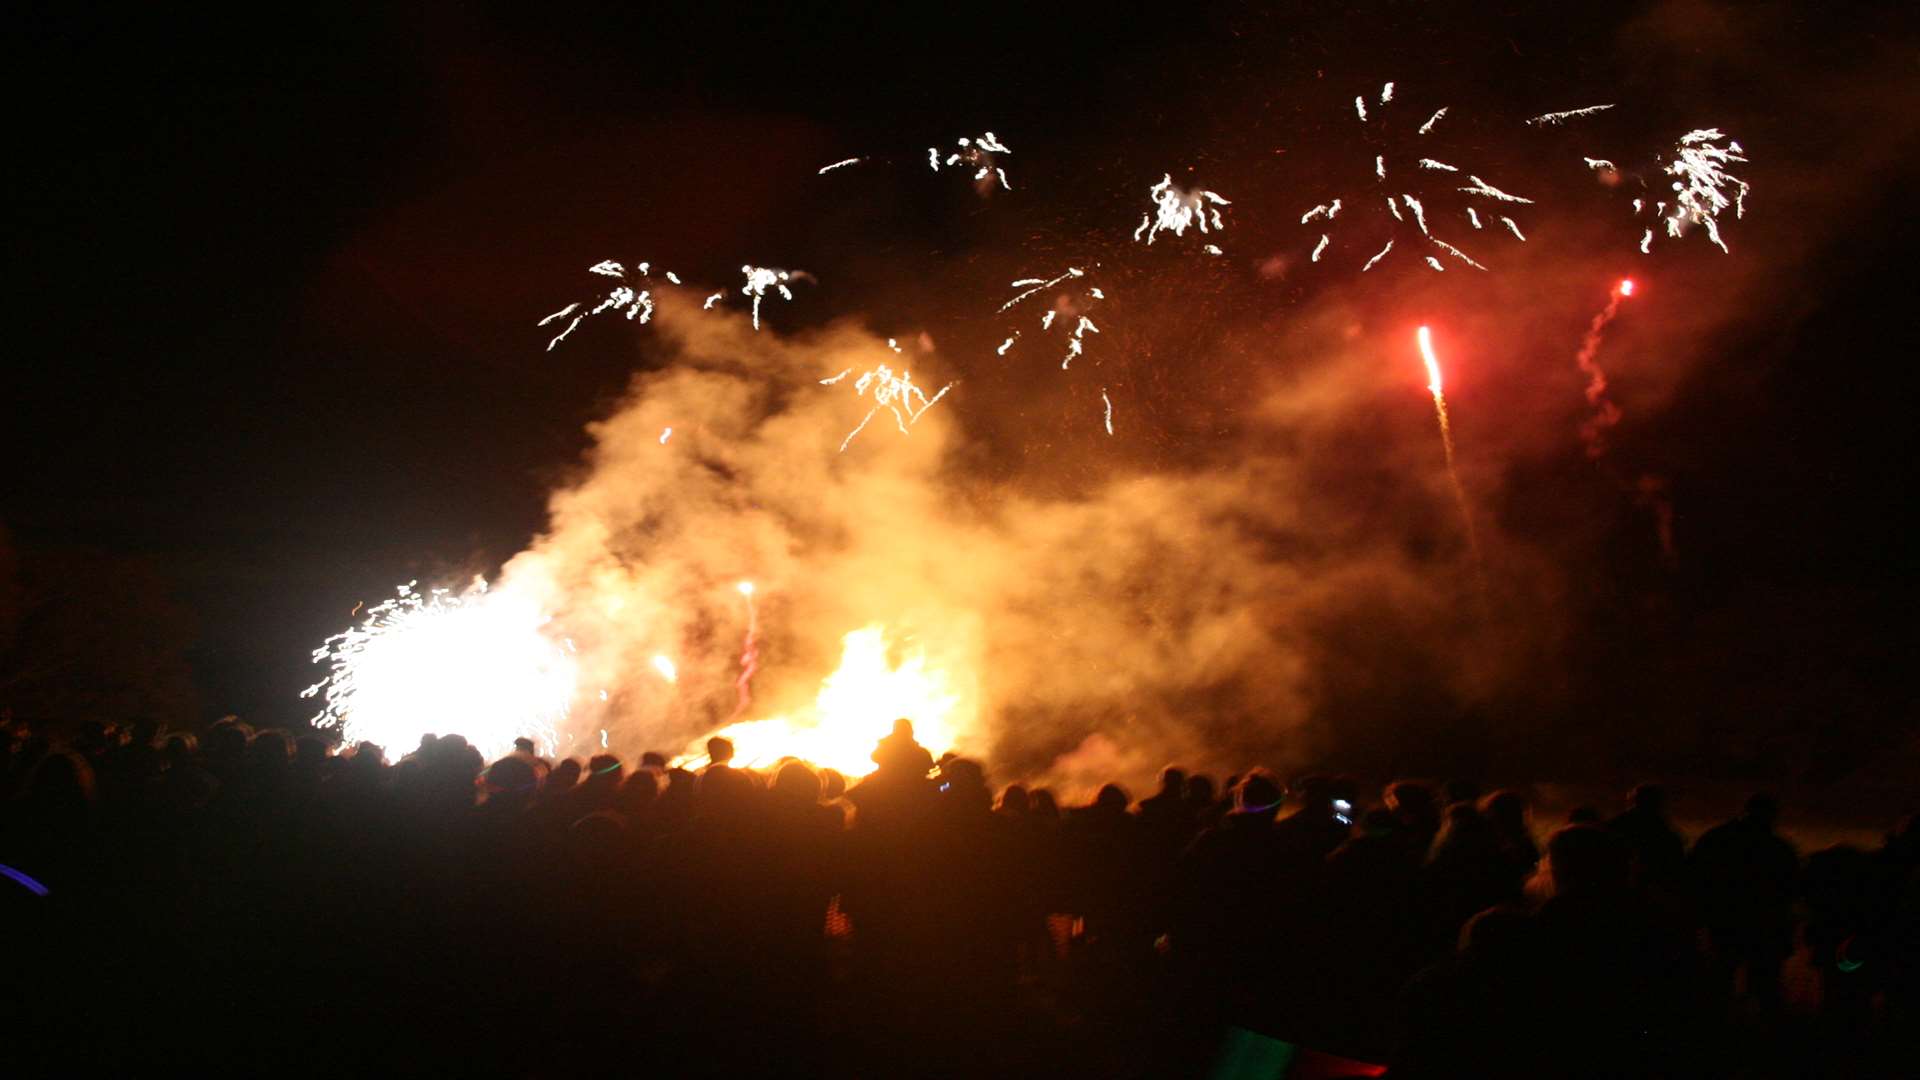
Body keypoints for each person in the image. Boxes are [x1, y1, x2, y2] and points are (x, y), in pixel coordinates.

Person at [1690, 793, 1800, 1011]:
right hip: (1764, 922)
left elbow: (1695, 876)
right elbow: (1791, 888)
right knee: (1764, 982)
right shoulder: (1778, 848)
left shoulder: (1716, 839)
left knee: (1722, 974)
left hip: (1724, 919)